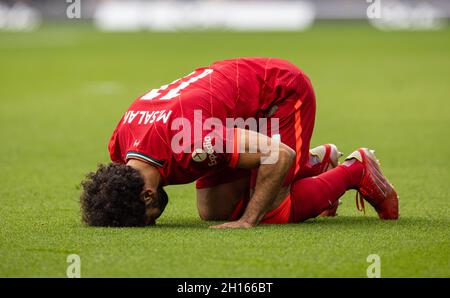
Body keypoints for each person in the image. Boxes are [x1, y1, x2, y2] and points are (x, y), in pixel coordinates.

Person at [80, 57, 398, 228]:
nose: (153, 221)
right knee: (215, 211)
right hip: (227, 117)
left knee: (271, 209)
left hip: (279, 95)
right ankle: (316, 162)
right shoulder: (120, 145)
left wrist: (249, 221)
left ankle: (355, 169)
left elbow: (278, 154)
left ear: (147, 193)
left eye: (147, 219)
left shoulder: (192, 141)